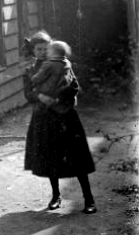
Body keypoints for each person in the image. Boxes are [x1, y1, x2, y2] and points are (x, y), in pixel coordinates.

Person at [22, 34, 97, 214]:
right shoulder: (30, 70)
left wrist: (56, 97)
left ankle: (89, 198)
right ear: (33, 51)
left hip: (65, 116)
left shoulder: (62, 64)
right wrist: (39, 96)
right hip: (44, 117)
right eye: (38, 49)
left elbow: (74, 87)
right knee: (50, 157)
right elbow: (28, 93)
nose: (42, 52)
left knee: (76, 156)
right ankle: (56, 196)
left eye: (45, 48)